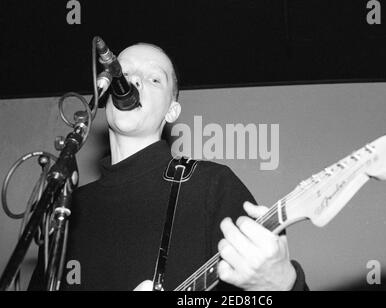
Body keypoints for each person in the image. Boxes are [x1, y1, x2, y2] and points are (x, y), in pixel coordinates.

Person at [29, 43, 308, 291]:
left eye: (153, 79)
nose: (133, 80)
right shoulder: (69, 207)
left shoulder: (211, 185)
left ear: (171, 111)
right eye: (122, 73)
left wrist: (283, 283)